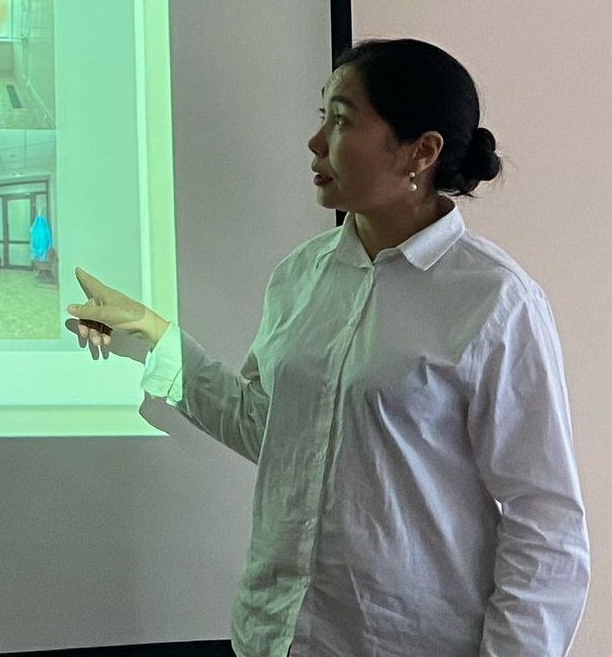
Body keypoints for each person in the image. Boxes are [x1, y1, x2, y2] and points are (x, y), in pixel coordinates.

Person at [66, 39, 590, 657]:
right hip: (275, 635)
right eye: (324, 116)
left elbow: (545, 522)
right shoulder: (302, 274)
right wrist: (154, 339)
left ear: (421, 152)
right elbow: (272, 432)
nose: (316, 142)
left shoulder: (495, 300)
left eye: (341, 120)